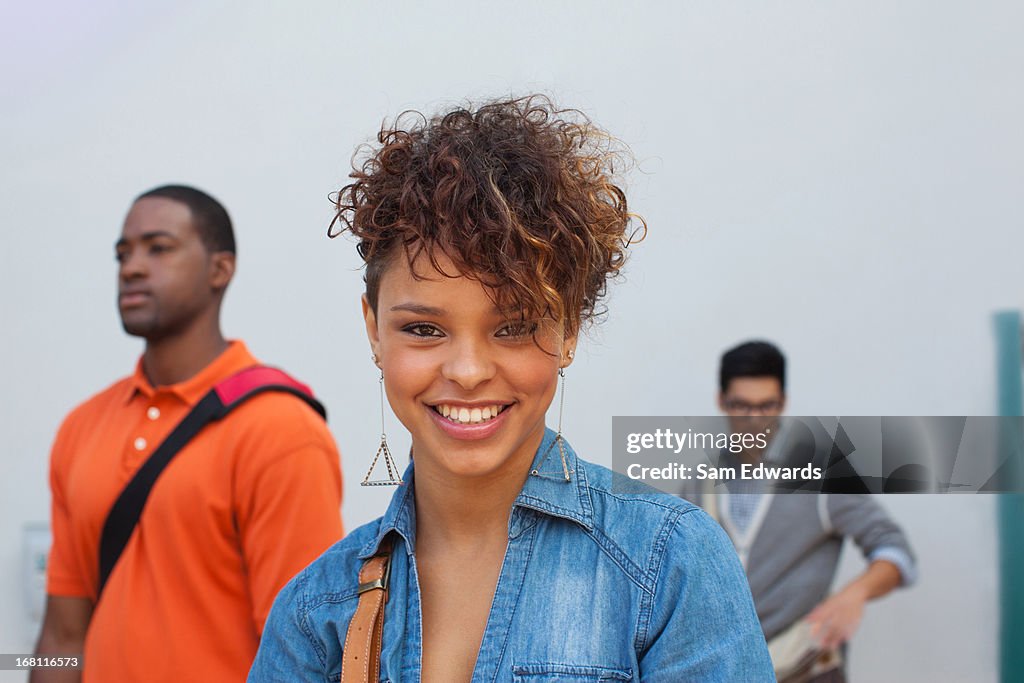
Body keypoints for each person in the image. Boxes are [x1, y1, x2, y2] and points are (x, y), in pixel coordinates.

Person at [248, 96, 773, 682]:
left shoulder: (669, 563)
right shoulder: (315, 612)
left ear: (569, 329)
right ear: (373, 329)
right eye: (424, 329)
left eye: (514, 327)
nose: (468, 371)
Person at [32, 185, 345, 683]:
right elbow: (63, 638)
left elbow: (304, 653)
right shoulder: (82, 426)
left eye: (159, 248)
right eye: (123, 253)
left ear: (220, 270)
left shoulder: (280, 429)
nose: (131, 267)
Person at [686, 340, 916, 681]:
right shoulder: (700, 483)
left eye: (766, 407)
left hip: (805, 668)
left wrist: (854, 595)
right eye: (741, 406)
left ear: (783, 402)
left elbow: (896, 551)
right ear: (721, 401)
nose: (754, 420)